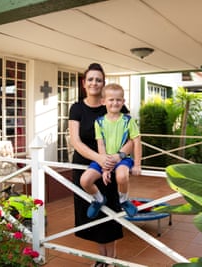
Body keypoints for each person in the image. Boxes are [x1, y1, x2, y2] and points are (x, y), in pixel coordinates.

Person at [68, 63, 132, 266]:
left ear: (103, 83)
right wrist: (99, 158)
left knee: (111, 212)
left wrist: (118, 156)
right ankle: (101, 258)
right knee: (93, 212)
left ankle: (110, 259)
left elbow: (131, 138)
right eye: (91, 79)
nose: (94, 83)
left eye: (98, 79)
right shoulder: (77, 108)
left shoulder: (113, 103)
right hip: (87, 167)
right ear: (84, 83)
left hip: (112, 166)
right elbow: (75, 141)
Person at [80, 83, 141, 219]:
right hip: (104, 159)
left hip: (123, 159)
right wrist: (105, 165)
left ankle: (124, 200)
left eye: (118, 99)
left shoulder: (128, 121)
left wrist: (137, 164)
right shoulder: (99, 122)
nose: (115, 103)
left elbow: (136, 142)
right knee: (85, 180)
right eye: (111, 99)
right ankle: (99, 199)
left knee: (121, 177)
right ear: (103, 101)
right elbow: (100, 144)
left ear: (123, 101)